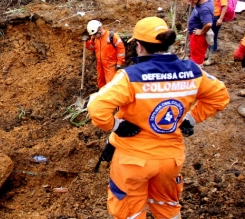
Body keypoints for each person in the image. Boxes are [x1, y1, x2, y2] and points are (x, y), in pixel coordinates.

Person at [88, 16, 229, 219]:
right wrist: (191, 118)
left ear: (139, 46)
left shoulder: (130, 76)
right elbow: (220, 96)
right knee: (168, 208)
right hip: (170, 160)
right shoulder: (192, 71)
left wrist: (116, 125)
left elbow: (96, 107)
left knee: (129, 212)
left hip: (133, 159)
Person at [85, 19, 125, 88]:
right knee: (101, 83)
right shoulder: (94, 38)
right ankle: (104, 98)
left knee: (111, 85)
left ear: (99, 30)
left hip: (110, 66)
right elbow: (92, 48)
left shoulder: (112, 36)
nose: (93, 36)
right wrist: (87, 42)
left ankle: (112, 98)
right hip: (100, 65)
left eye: (94, 34)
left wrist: (119, 63)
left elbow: (121, 50)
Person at [201, 0, 228, 65]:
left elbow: (224, 6)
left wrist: (220, 19)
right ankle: (208, 53)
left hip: (216, 17)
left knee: (213, 36)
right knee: (208, 35)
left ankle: (211, 57)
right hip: (210, 16)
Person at [185, 0, 214, 66]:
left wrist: (201, 31)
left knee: (197, 59)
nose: (191, 1)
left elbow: (208, 24)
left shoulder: (204, 9)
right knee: (194, 54)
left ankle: (196, 73)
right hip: (195, 34)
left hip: (198, 37)